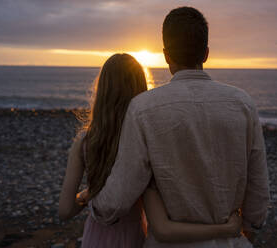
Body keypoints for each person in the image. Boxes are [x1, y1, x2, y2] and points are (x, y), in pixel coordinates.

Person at [89, 7, 270, 248]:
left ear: (166, 55)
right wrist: (247, 226)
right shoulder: (242, 103)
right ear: (206, 53)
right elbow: (258, 190)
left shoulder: (143, 108)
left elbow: (120, 193)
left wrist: (93, 204)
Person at [59, 53, 244, 247]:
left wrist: (86, 194)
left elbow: (64, 210)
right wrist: (225, 229)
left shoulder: (85, 141)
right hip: (132, 237)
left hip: (95, 237)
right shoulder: (141, 143)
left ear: (102, 89)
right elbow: (162, 226)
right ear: (140, 90)